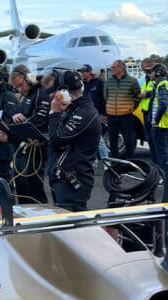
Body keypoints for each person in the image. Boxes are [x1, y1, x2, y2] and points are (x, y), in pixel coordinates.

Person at [47, 70, 101, 211]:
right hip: (61, 176)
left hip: (74, 180)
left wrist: (54, 113)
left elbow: (56, 139)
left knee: (74, 228)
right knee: (62, 227)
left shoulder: (85, 112)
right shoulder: (71, 107)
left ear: (64, 91)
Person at [5, 64, 48, 203]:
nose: (19, 89)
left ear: (28, 79)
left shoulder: (41, 93)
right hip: (23, 147)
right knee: (22, 187)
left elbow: (41, 121)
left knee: (34, 188)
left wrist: (25, 121)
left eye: (20, 85)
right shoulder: (26, 96)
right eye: (16, 87)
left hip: (36, 149)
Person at [104, 59, 140, 158]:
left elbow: (137, 96)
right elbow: (106, 96)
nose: (112, 69)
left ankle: (130, 160)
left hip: (126, 116)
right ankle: (115, 163)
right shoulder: (109, 81)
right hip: (111, 116)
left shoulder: (132, 81)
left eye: (114, 67)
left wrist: (131, 108)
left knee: (128, 139)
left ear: (121, 68)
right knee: (112, 139)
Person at [148, 63, 168, 168]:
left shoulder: (162, 85)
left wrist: (156, 120)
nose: (149, 75)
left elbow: (163, 104)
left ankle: (166, 175)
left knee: (163, 153)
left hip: (161, 124)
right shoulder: (163, 84)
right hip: (163, 123)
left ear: (157, 73)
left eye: (151, 72)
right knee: (166, 151)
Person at [78, 63, 109, 159]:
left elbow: (104, 99)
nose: (82, 73)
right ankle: (93, 160)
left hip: (97, 115)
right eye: (81, 71)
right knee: (88, 140)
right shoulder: (81, 85)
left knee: (99, 140)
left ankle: (106, 160)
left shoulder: (99, 82)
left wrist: (104, 114)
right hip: (86, 115)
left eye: (84, 71)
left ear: (89, 72)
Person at [138, 58, 156, 159]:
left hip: (153, 111)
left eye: (145, 70)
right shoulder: (145, 78)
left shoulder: (159, 78)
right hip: (146, 111)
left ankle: (161, 165)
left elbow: (159, 91)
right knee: (150, 138)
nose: (145, 72)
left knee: (156, 139)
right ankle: (155, 162)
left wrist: (146, 94)